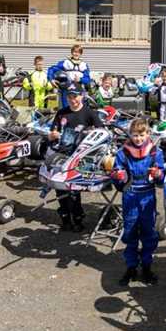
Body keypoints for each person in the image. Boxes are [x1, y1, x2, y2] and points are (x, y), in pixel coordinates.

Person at [109, 118, 165, 286]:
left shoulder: (155, 152)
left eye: (141, 135)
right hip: (130, 195)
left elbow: (162, 178)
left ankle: (147, 266)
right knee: (130, 231)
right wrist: (118, 176)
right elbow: (117, 177)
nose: (138, 139)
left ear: (148, 134)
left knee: (149, 233)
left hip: (147, 196)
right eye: (135, 135)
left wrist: (158, 175)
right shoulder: (123, 153)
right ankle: (131, 267)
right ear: (130, 135)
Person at [48, 83, 103, 232]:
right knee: (59, 188)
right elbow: (52, 132)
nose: (73, 100)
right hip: (62, 154)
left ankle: (78, 218)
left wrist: (88, 135)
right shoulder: (61, 113)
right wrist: (53, 135)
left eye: (75, 96)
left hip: (80, 156)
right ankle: (65, 218)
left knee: (74, 188)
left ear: (82, 96)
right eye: (70, 97)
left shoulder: (90, 113)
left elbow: (101, 132)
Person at [48, 44, 92, 110]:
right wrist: (51, 79)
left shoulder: (84, 65)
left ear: (80, 53)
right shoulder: (66, 62)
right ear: (72, 52)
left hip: (79, 90)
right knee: (66, 109)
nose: (76, 54)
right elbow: (52, 69)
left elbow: (88, 79)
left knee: (78, 109)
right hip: (67, 89)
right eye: (74, 52)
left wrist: (80, 79)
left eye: (78, 52)